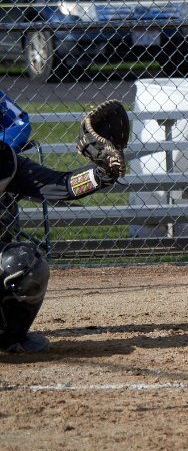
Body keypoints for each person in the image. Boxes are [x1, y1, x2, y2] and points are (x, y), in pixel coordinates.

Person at [1, 93, 126, 354]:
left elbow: (62, 185)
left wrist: (101, 173)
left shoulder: (4, 162)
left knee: (23, 265)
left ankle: (8, 337)